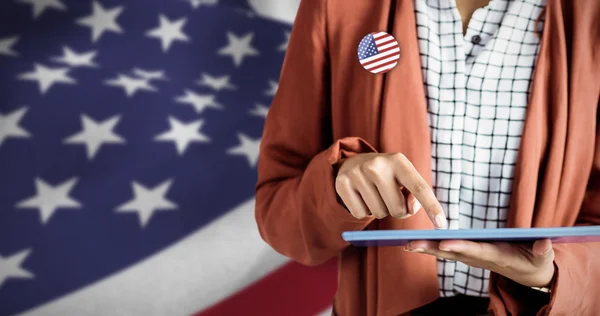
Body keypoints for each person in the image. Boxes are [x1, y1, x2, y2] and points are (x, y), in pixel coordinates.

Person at [254, 0, 600, 315]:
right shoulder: (338, 7)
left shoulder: (590, 17)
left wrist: (555, 273)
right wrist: (336, 188)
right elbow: (277, 214)